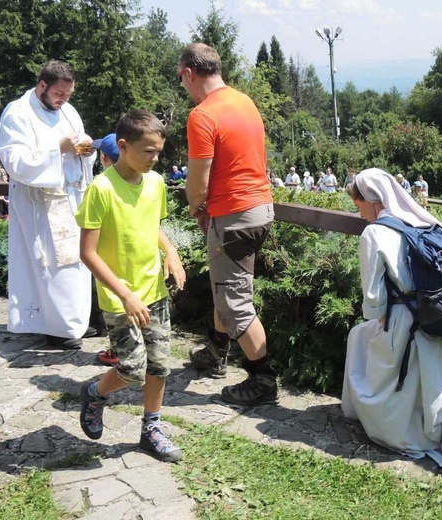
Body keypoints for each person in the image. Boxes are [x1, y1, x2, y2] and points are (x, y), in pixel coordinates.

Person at [342, 168, 442, 471]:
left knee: (365, 345)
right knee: (438, 392)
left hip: (405, 323)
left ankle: (401, 430)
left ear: (371, 200)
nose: (359, 212)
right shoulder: (426, 223)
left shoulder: (375, 233)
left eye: (358, 204)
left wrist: (378, 324)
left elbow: (374, 301)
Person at [75, 109, 186, 462]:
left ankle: (151, 429)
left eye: (158, 152)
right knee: (133, 368)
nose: (155, 159)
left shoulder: (155, 183)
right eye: (148, 151)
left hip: (154, 292)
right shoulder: (101, 189)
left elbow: (152, 226)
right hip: (120, 298)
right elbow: (87, 253)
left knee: (159, 366)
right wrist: (124, 293)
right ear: (123, 146)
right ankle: (95, 393)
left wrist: (171, 253)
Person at [180, 43, 278, 405]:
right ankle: (216, 350)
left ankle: (263, 379)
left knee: (235, 302)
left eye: (181, 78)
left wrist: (195, 207)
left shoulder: (203, 115)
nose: (183, 85)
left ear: (190, 73)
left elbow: (198, 184)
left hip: (233, 215)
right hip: (260, 209)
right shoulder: (244, 101)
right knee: (226, 285)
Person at [0, 59, 97, 349]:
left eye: (68, 95)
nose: (63, 100)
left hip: (72, 198)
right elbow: (14, 161)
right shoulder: (18, 112)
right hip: (40, 204)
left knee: (76, 262)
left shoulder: (68, 112)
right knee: (52, 264)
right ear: (42, 86)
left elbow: (83, 151)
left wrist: (84, 149)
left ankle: (75, 321)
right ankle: (58, 329)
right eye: (58, 94)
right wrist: (58, 150)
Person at [91, 133, 121, 366]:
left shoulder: (100, 186)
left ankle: (117, 350)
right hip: (133, 258)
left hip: (107, 258)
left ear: (104, 159)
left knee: (113, 305)